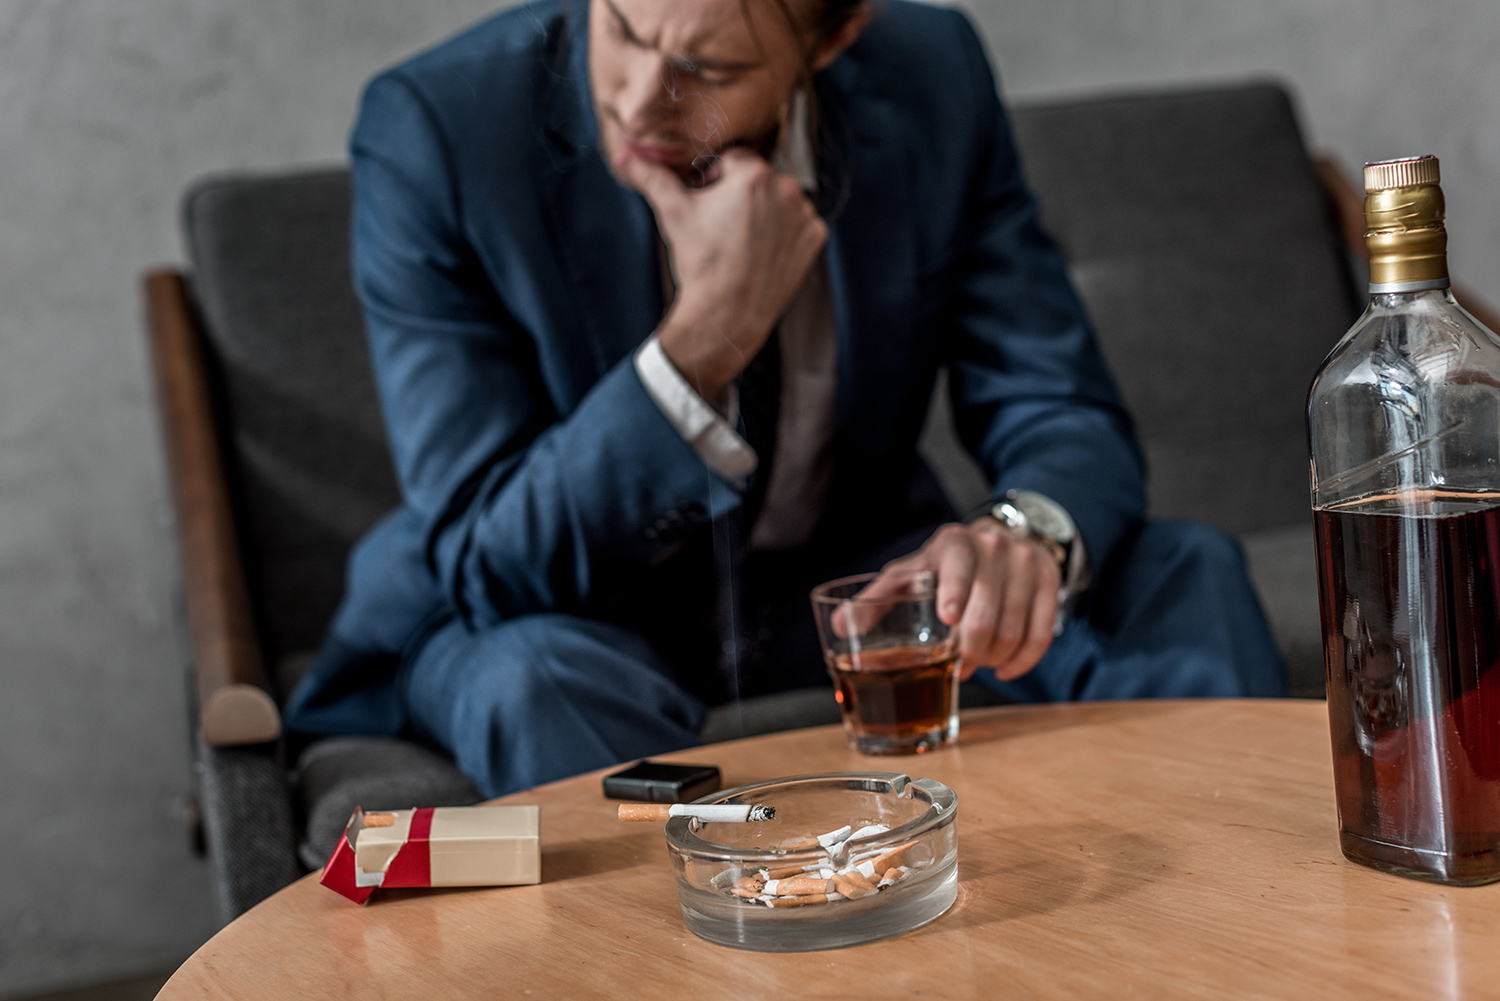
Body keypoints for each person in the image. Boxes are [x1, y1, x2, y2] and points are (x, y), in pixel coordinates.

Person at [284, 0, 1286, 798]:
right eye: (624, 27)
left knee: (1182, 570)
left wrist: (1022, 535)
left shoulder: (932, 74)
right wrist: (705, 340)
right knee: (532, 682)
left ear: (836, 37)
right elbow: (484, 554)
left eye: (710, 72)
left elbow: (1058, 403)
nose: (637, 101)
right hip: (563, 615)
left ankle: (1224, 942)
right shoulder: (437, 130)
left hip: (859, 589)